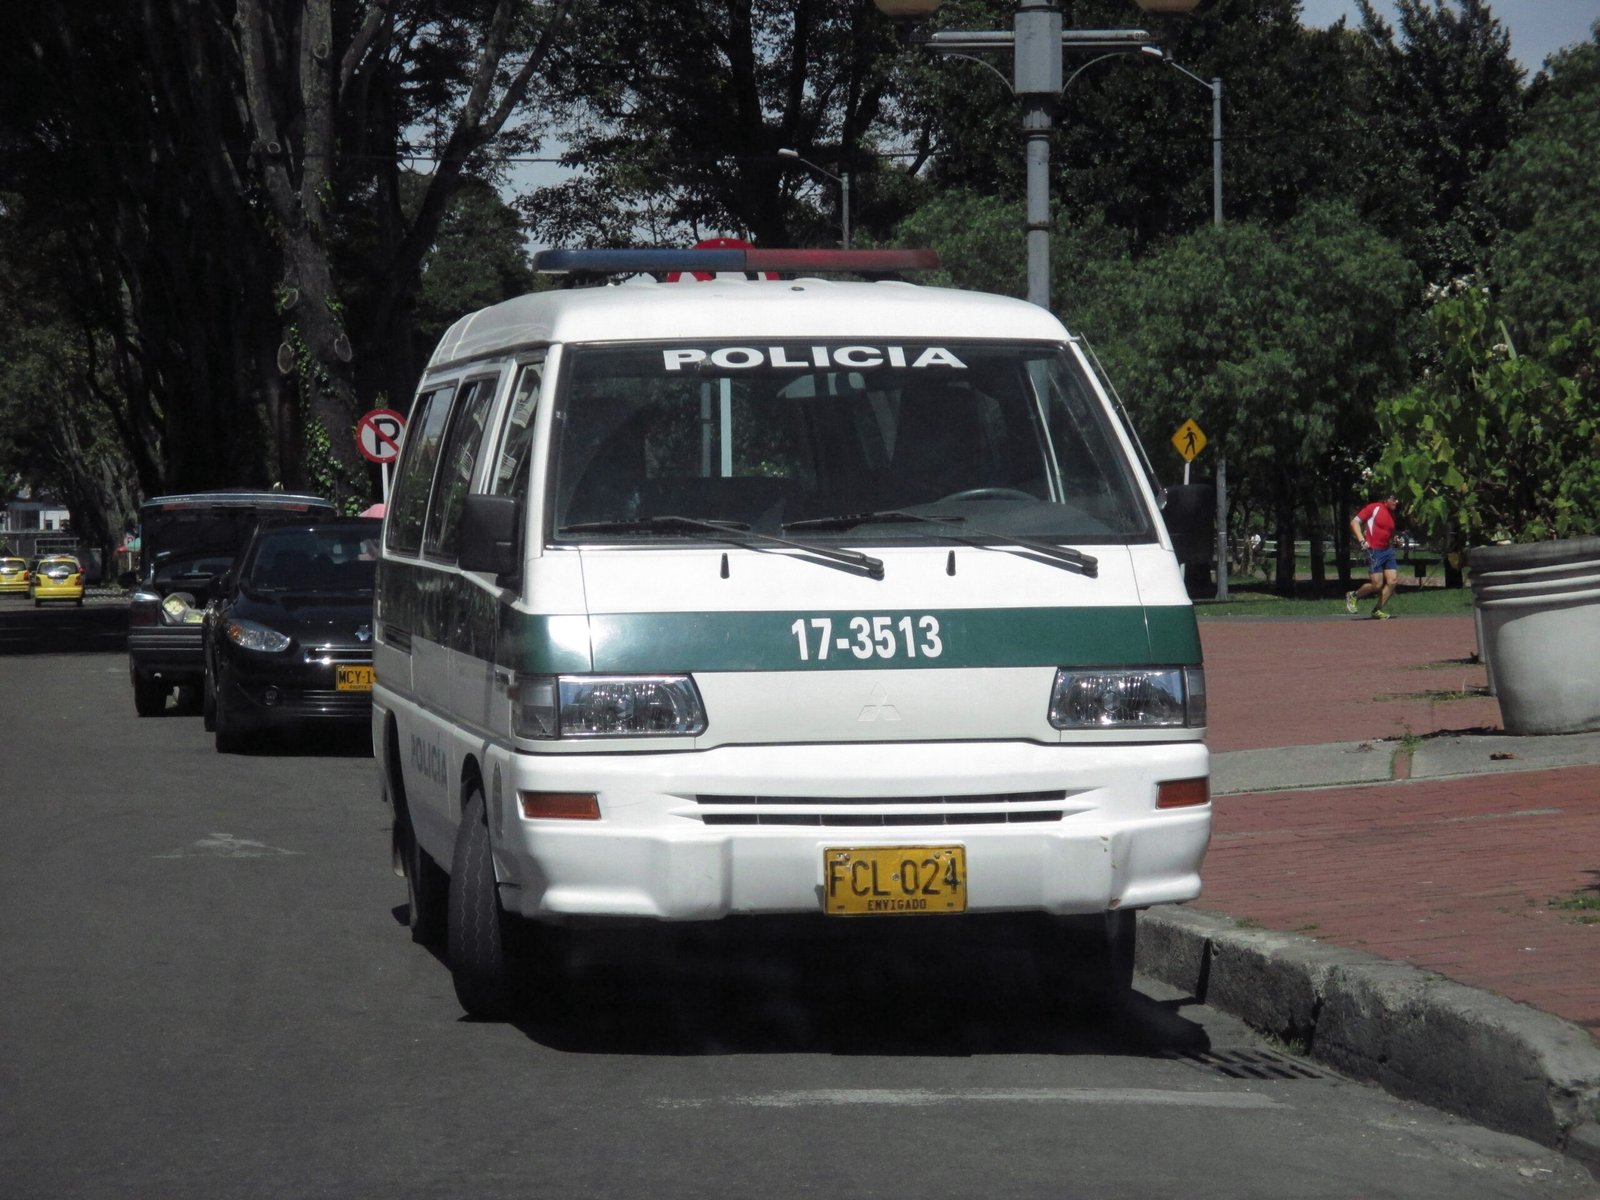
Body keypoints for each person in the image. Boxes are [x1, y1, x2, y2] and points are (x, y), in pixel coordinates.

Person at [1345, 493, 1401, 619]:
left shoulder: (1392, 514)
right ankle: (1354, 595)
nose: (1396, 502)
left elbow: (1388, 533)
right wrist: (1361, 540)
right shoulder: (1374, 508)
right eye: (1394, 499)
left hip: (1388, 551)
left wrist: (1395, 538)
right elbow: (1354, 522)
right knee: (1377, 584)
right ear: (1386, 499)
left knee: (1393, 581)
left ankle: (1377, 610)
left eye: (1397, 500)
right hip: (1373, 550)